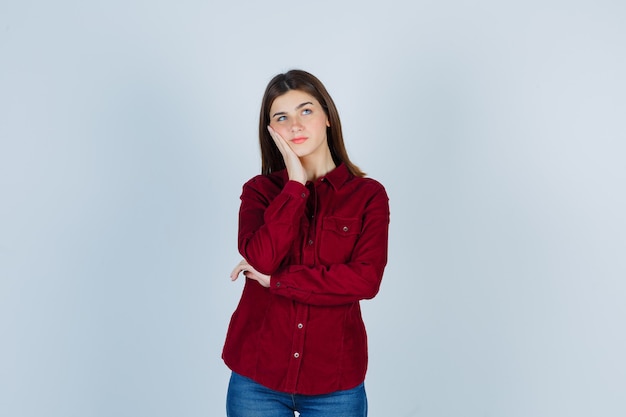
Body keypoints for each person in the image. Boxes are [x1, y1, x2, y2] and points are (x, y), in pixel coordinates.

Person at [222, 69, 390, 417]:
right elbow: (263, 259)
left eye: (306, 110)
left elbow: (365, 280)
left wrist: (278, 282)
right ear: (271, 130)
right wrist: (296, 184)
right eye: (281, 117)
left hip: (335, 383)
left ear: (327, 116)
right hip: (257, 379)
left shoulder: (368, 196)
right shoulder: (259, 192)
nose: (295, 125)